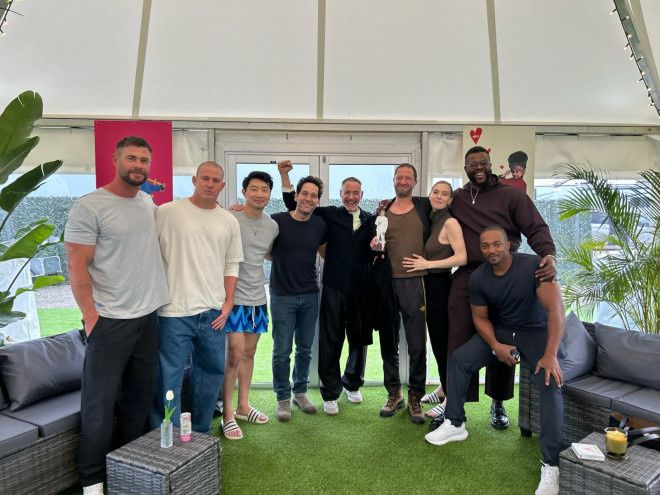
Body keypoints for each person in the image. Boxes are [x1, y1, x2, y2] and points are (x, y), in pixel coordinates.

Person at [425, 226, 565, 495]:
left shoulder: (534, 267)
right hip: (503, 330)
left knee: (550, 382)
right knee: (460, 359)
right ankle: (455, 423)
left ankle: (551, 465)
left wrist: (550, 355)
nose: (491, 250)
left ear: (508, 245)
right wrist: (495, 346)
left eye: (497, 244)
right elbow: (480, 318)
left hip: (536, 332)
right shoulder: (479, 277)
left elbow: (556, 310)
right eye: (485, 246)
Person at [65, 136, 170, 495]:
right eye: (131, 158)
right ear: (116, 159)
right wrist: (90, 317)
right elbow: (76, 265)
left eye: (144, 160)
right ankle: (92, 480)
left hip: (147, 319)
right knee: (99, 404)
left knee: (138, 400)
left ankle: (127, 467)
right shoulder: (89, 206)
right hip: (109, 322)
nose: (138, 165)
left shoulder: (147, 202)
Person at [444, 145, 556, 431]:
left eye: (483, 162)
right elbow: (431, 206)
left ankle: (498, 401)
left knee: (504, 336)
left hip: (505, 273)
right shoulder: (458, 198)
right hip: (469, 275)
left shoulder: (512, 195)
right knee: (458, 340)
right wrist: (386, 207)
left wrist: (548, 254)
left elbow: (536, 228)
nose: (479, 167)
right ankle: (455, 407)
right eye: (473, 164)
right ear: (465, 168)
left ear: (491, 164)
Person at [151, 161, 243, 439]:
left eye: (216, 180)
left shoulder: (228, 220)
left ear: (222, 185)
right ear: (194, 180)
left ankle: (200, 433)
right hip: (173, 311)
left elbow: (231, 264)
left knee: (211, 373)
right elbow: (149, 255)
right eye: (205, 178)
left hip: (214, 312)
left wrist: (228, 303)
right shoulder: (167, 212)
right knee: (169, 377)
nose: (209, 184)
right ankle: (169, 436)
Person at [278, 161, 374, 416]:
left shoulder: (372, 220)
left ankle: (352, 383)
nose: (351, 197)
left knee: (358, 341)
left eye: (355, 193)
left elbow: (379, 248)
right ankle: (330, 392)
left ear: (361, 195)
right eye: (347, 192)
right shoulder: (328, 215)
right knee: (331, 340)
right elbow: (293, 205)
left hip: (361, 291)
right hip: (333, 287)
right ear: (340, 194)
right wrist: (285, 177)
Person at [370, 163, 432, 424]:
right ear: (394, 180)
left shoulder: (424, 206)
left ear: (415, 181)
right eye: (399, 177)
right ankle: (394, 393)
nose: (403, 181)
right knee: (388, 342)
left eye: (408, 177)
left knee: (417, 345)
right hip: (387, 283)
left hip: (415, 282)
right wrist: (375, 246)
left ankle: (416, 395)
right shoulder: (383, 210)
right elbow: (378, 243)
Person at [401, 180, 467, 419]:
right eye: (435, 192)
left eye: (444, 194)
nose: (439, 196)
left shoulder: (450, 222)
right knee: (436, 342)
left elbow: (461, 257)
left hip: (441, 287)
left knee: (442, 344)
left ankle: (450, 398)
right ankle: (442, 388)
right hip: (427, 286)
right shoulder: (432, 219)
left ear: (450, 199)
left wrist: (427, 264)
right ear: (429, 195)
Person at [222, 171, 279, 437]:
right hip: (233, 298)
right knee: (234, 354)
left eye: (264, 189)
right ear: (244, 192)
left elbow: (267, 253)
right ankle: (227, 413)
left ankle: (244, 405)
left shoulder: (272, 225)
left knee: (249, 352)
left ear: (269, 194)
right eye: (254, 189)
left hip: (258, 297)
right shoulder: (229, 218)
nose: (259, 194)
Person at [270, 176, 327, 421]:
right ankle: (283, 397)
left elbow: (325, 254)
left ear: (318, 201)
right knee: (282, 351)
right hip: (282, 296)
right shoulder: (276, 221)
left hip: (310, 295)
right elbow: (267, 251)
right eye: (305, 193)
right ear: (296, 195)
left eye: (314, 195)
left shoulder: (320, 225)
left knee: (304, 349)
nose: (308, 199)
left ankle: (300, 392)